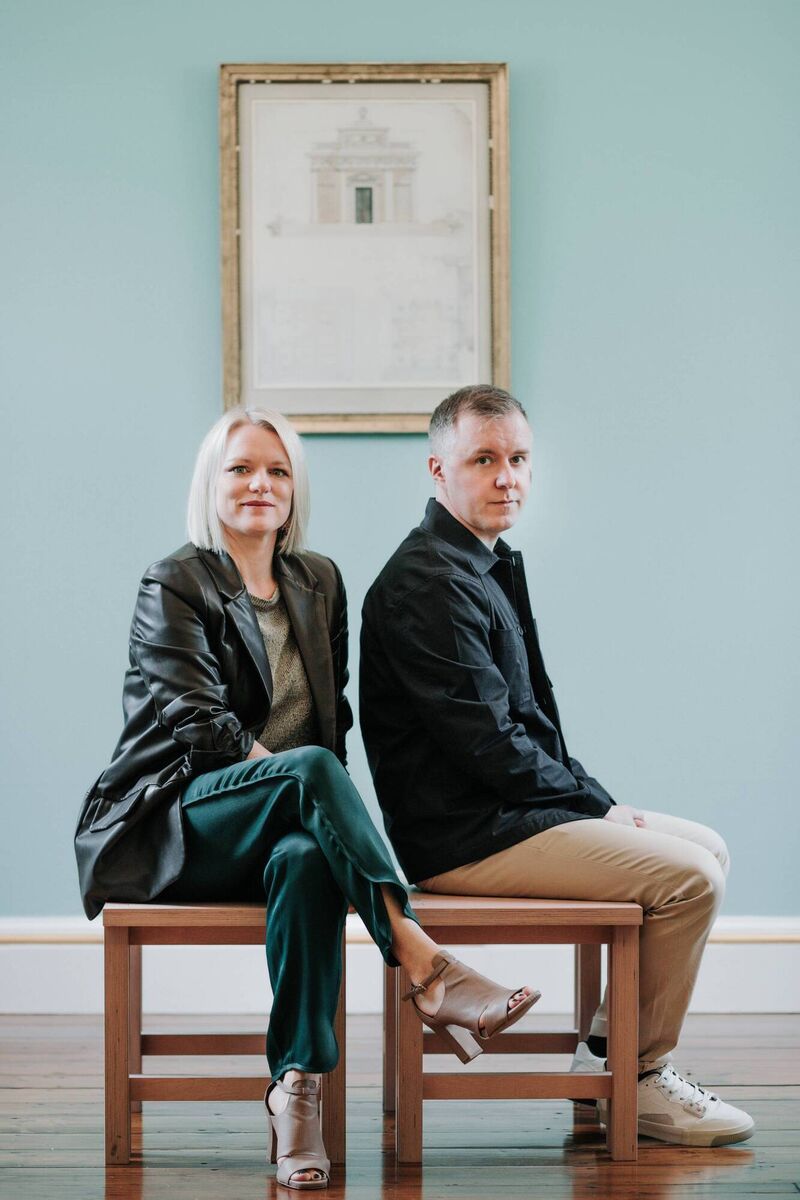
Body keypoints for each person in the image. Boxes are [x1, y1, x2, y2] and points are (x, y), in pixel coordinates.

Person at [75, 406, 539, 1190]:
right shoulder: (175, 583)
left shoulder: (318, 582)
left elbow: (333, 721)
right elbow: (203, 729)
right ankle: (425, 965)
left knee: (307, 858)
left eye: (278, 470)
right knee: (311, 772)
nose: (260, 483)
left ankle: (296, 1093)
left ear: (295, 489)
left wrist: (322, 811)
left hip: (279, 824)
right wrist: (304, 781)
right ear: (210, 483)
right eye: (241, 469)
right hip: (175, 825)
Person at [360, 384, 754, 1148]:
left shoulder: (481, 564)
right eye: (484, 459)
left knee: (708, 848)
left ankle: (605, 1056)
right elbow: (489, 743)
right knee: (691, 879)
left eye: (518, 459)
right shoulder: (427, 582)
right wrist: (596, 808)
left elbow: (531, 728)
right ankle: (638, 1076)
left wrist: (594, 800)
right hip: (465, 837)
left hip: (506, 813)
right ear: (438, 470)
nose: (507, 477)